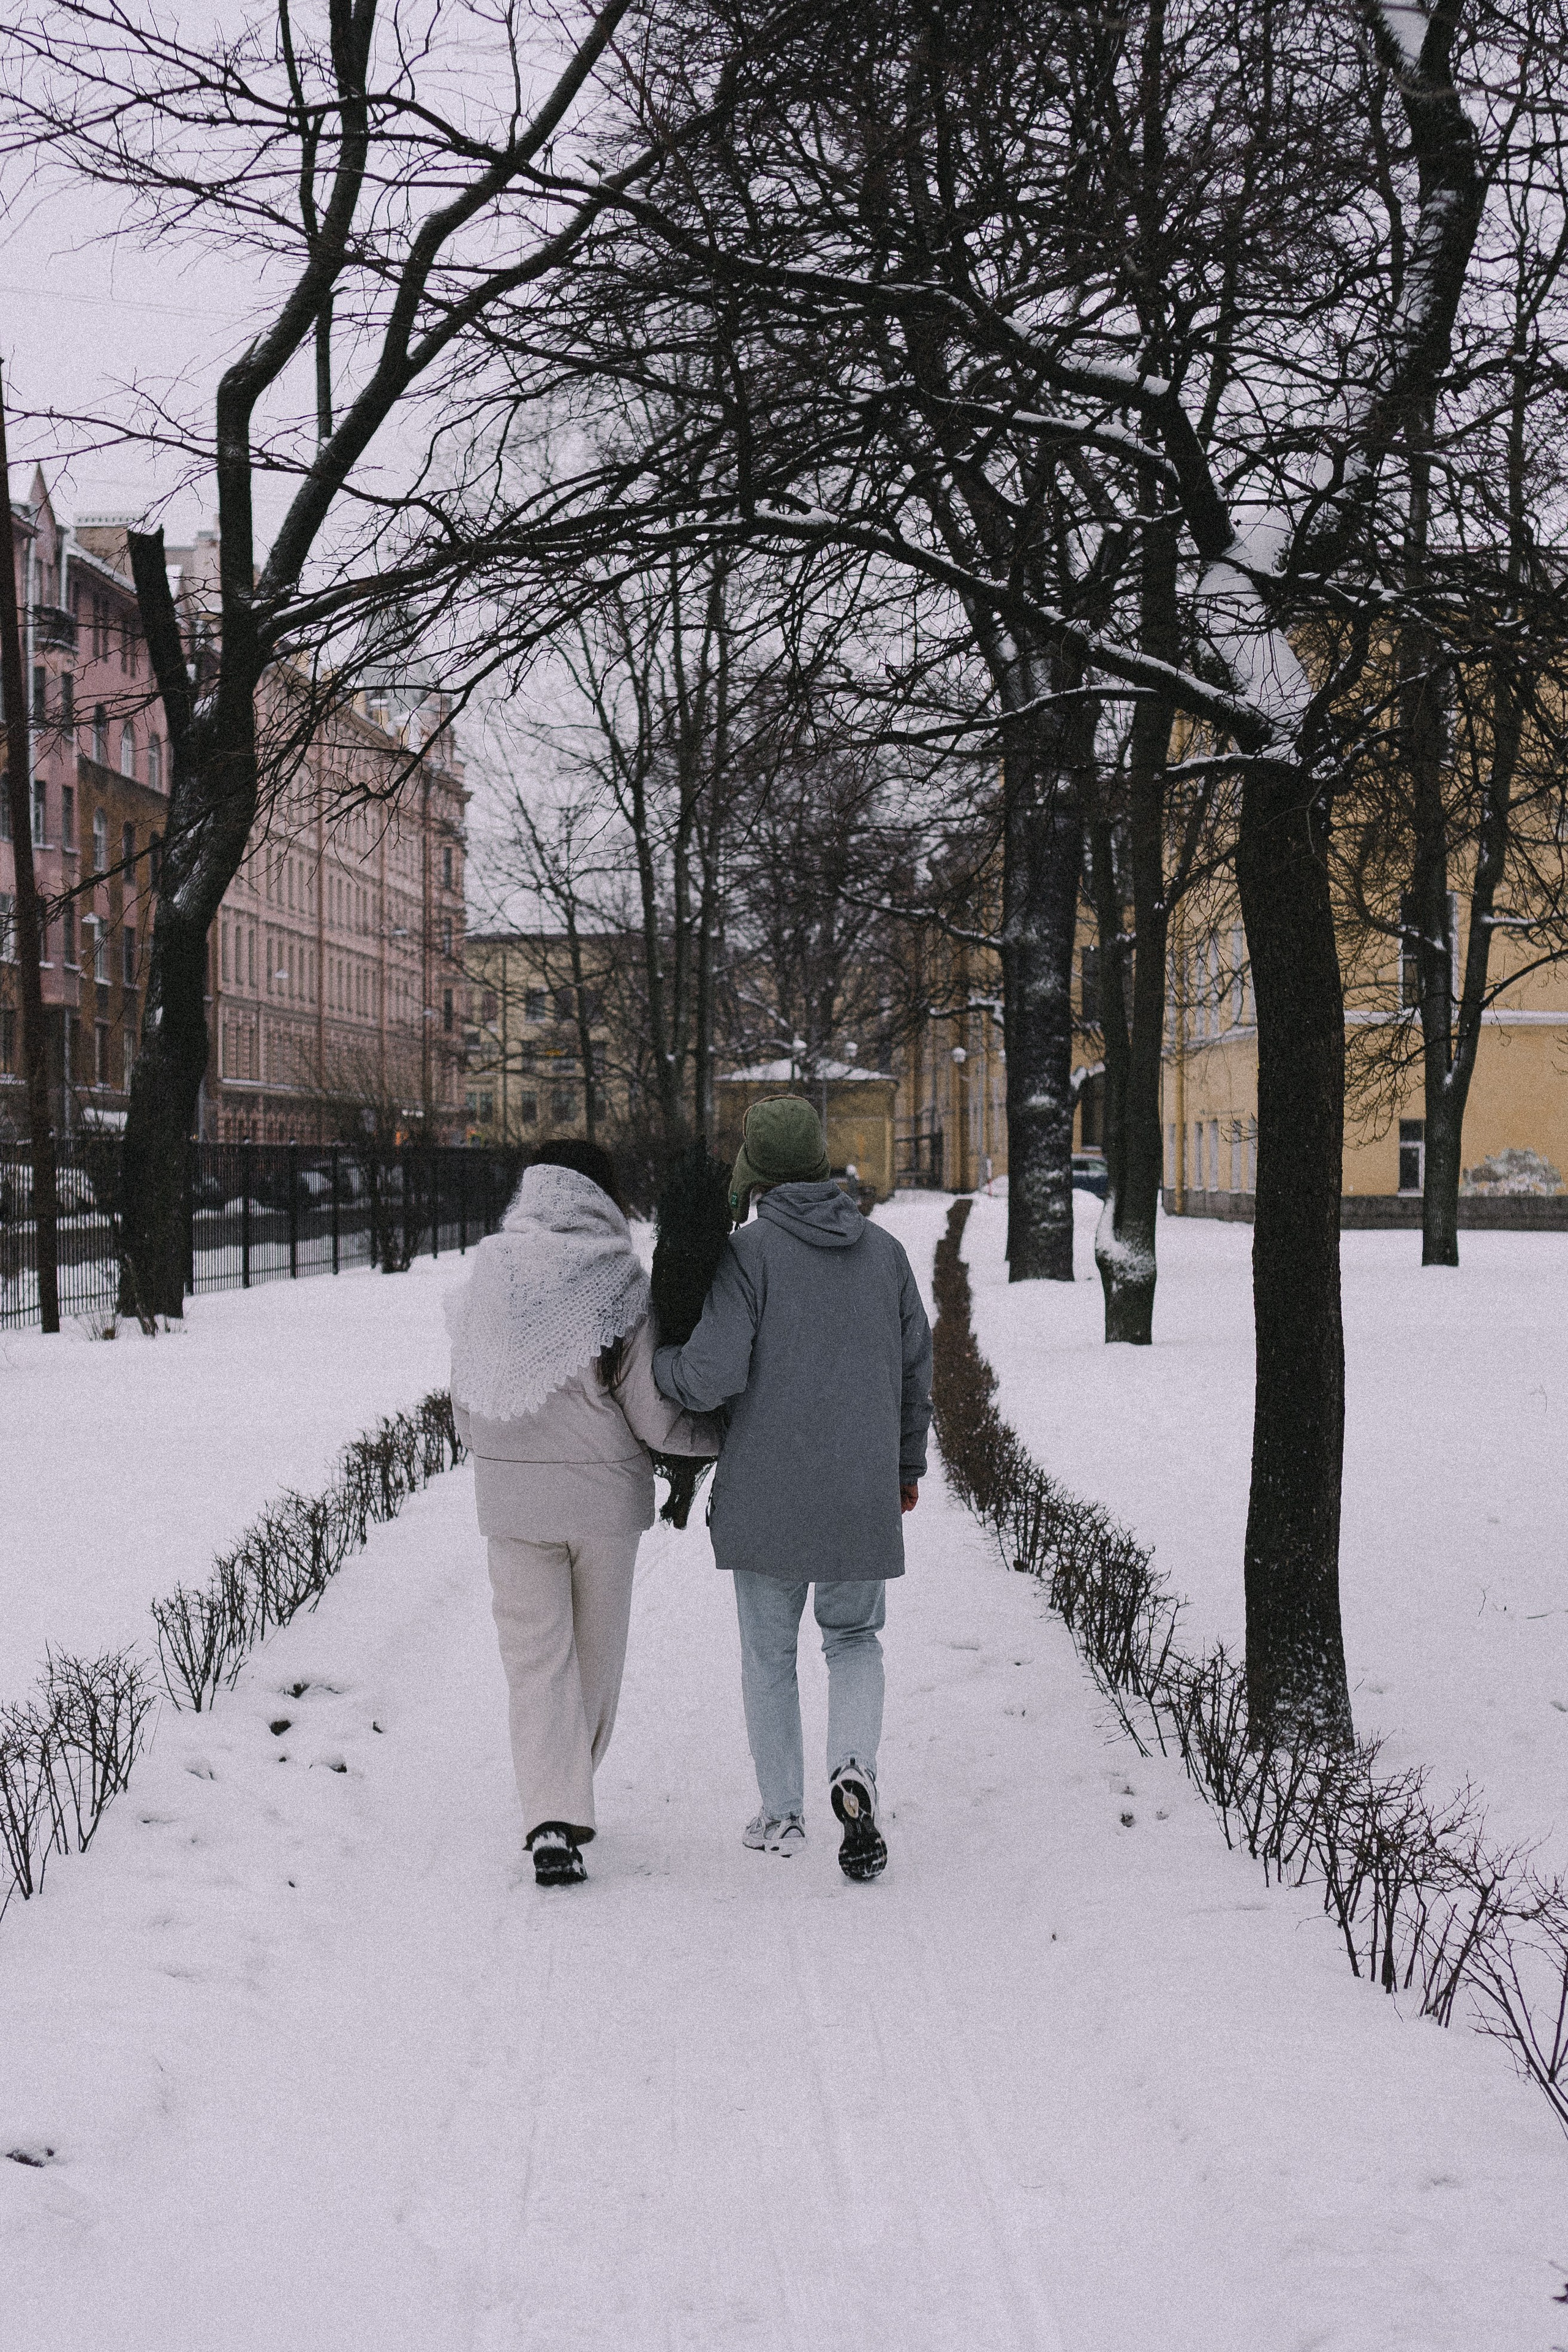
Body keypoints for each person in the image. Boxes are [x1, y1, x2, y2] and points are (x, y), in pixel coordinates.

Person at [652, 1096, 932, 1881]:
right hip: (858, 1492)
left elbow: (710, 1374)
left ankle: (781, 1815)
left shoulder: (749, 1255)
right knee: (853, 1640)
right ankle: (854, 1771)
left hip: (766, 1491)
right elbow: (916, 1374)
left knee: (768, 1655)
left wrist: (660, 1366)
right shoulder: (885, 1254)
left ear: (755, 1175)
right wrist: (904, 1469)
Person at [446, 1140, 717, 1887]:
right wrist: (715, 1438)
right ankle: (562, 1808)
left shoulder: (488, 1276)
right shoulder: (618, 1281)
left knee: (535, 1665)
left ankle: (551, 1812)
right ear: (600, 1195)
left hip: (510, 1507)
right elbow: (652, 1413)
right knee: (594, 1667)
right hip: (602, 1507)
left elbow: (466, 1403)